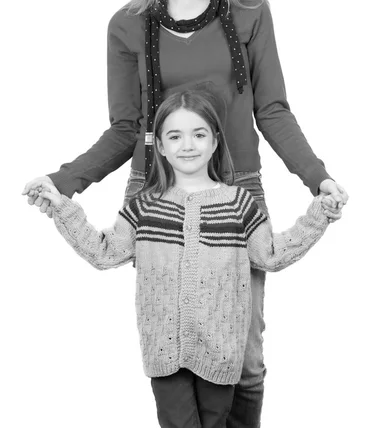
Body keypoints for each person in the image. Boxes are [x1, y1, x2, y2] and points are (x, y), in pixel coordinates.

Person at [23, 0, 348, 427]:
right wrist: (66, 181)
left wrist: (318, 180)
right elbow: (126, 128)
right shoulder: (128, 24)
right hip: (157, 190)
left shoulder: (249, 12)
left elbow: (272, 110)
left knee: (242, 355)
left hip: (237, 188)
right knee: (174, 340)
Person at [25, 91, 337, 428]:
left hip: (221, 352)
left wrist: (319, 213)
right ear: (159, 145)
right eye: (175, 136)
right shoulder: (145, 206)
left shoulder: (239, 204)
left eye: (199, 134)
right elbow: (105, 252)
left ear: (216, 141)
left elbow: (271, 255)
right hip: (164, 352)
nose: (187, 145)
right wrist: (62, 208)